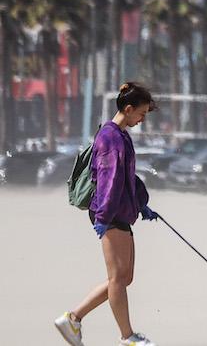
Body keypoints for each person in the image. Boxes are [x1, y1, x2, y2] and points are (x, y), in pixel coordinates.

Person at [54, 82, 160, 346]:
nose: (142, 119)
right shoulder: (110, 137)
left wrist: (141, 203)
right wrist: (102, 218)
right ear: (128, 108)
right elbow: (109, 181)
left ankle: (73, 319)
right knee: (118, 278)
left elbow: (127, 178)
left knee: (125, 278)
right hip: (109, 212)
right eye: (141, 113)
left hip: (120, 211)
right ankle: (127, 336)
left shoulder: (121, 135)